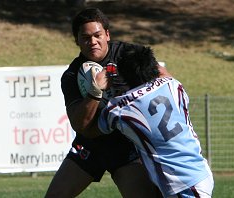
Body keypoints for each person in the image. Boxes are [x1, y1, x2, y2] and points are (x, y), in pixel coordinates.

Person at [45, 8, 170, 198]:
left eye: (97, 35)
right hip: (91, 145)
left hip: (127, 146)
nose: (92, 42)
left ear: (107, 34)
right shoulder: (71, 75)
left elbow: (167, 81)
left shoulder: (127, 54)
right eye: (85, 37)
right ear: (77, 41)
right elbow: (80, 125)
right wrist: (95, 91)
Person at [96, 46, 214, 197]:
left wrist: (96, 89)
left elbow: (95, 128)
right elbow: (161, 73)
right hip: (198, 172)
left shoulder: (120, 107)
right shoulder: (173, 85)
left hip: (182, 183)